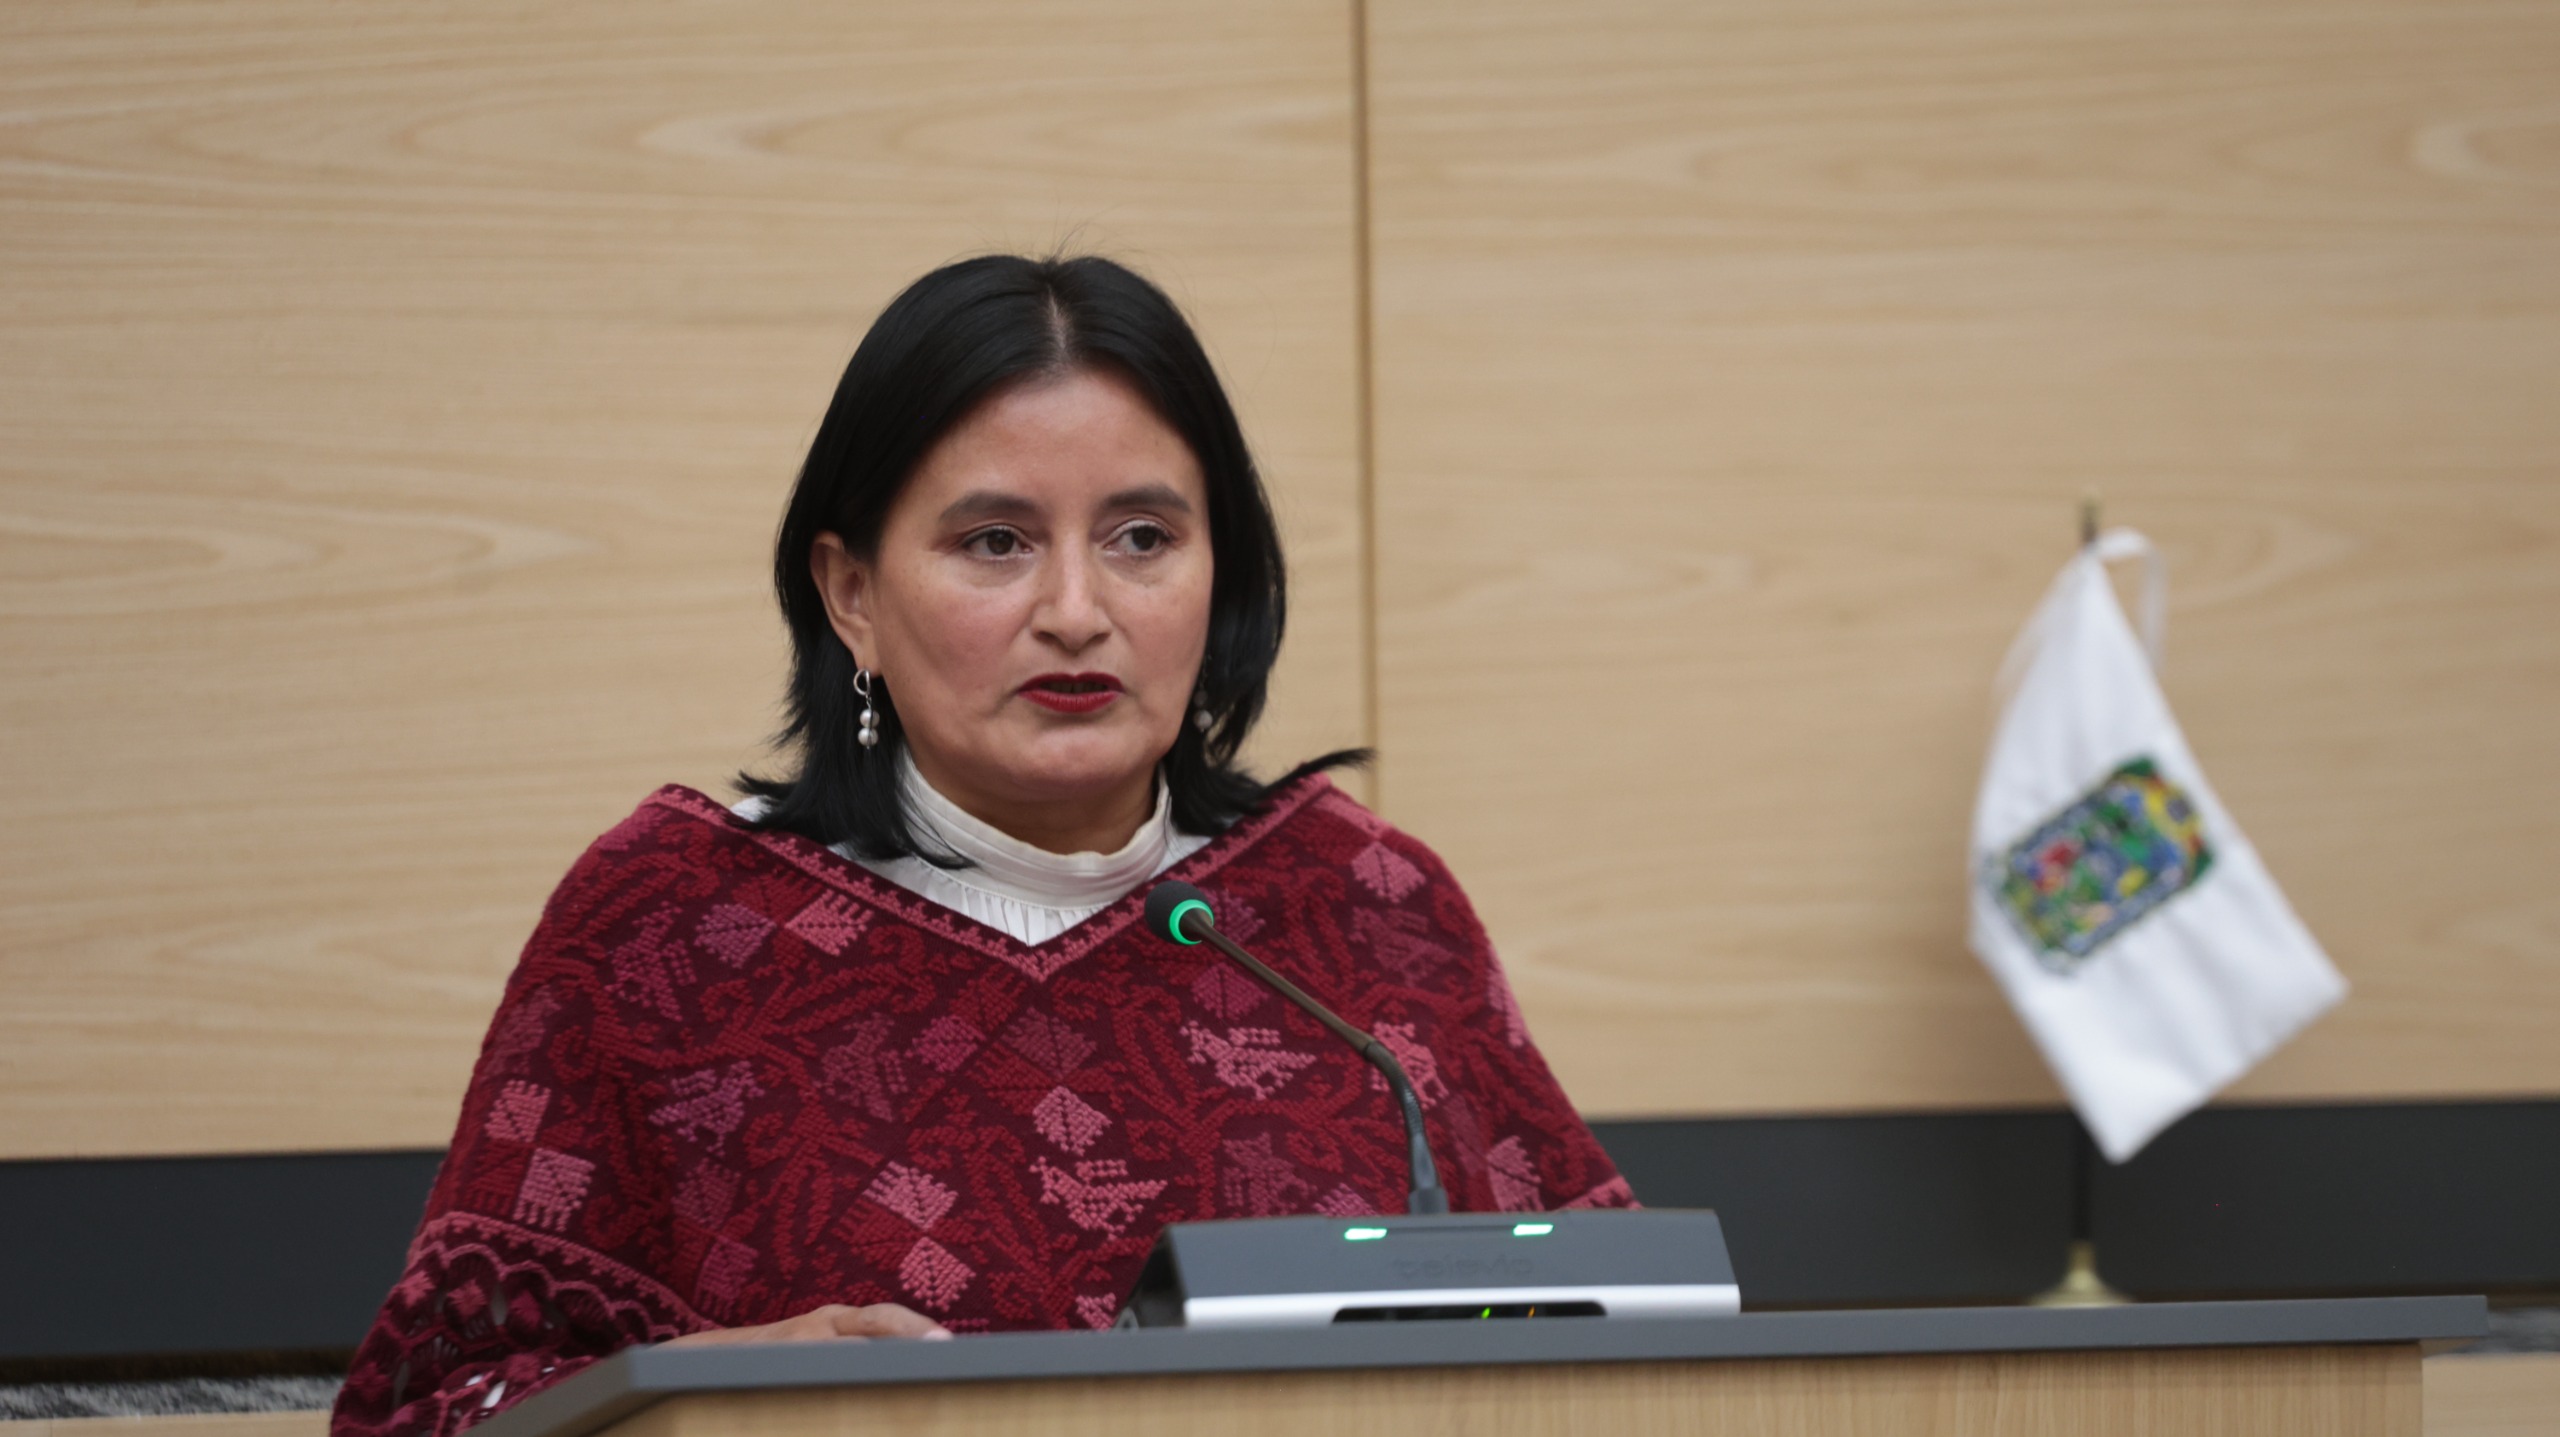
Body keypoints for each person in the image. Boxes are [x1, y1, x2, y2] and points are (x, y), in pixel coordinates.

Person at [331, 255, 1631, 1437]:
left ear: (1221, 574)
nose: (1075, 610)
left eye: (1141, 539)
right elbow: (423, 1414)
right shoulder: (668, 923)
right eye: (995, 542)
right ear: (852, 593)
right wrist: (700, 1389)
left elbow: (1629, 1351)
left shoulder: (1362, 905)